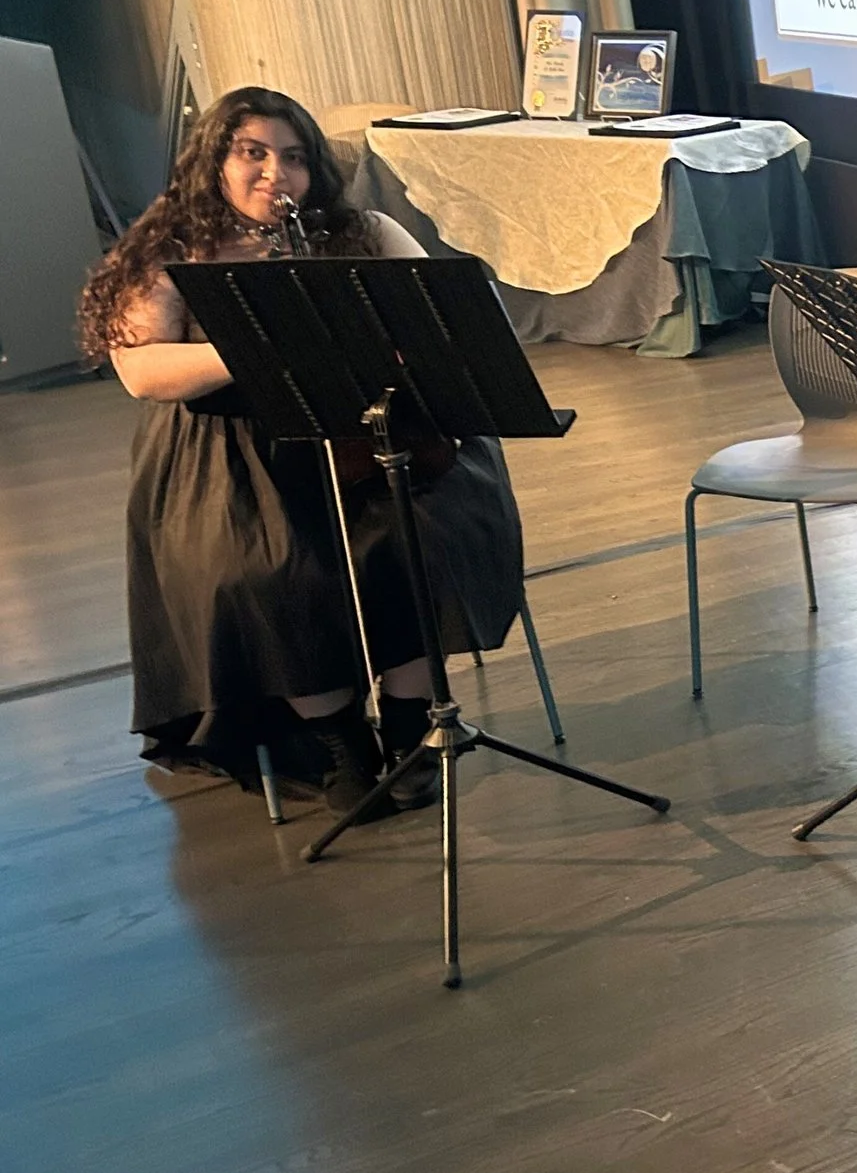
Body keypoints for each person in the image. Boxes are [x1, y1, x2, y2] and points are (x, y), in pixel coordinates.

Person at [80, 86, 527, 817]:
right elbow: (142, 370)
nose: (273, 174)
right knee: (266, 570)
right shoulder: (173, 249)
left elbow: (446, 318)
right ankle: (339, 741)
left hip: (371, 431)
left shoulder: (364, 229)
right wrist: (256, 347)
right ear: (214, 163)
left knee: (426, 541)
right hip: (230, 451)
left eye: (292, 157)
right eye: (251, 153)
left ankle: (415, 726)